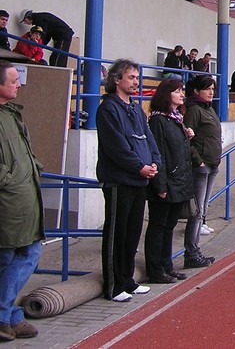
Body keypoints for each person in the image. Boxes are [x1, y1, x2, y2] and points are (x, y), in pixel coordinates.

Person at [96, 58, 161, 302]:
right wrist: (139, 167)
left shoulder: (136, 108)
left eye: (137, 77)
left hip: (139, 181)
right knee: (117, 234)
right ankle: (113, 286)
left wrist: (154, 163)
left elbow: (148, 138)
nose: (136, 82)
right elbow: (116, 147)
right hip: (119, 181)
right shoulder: (108, 109)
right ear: (117, 80)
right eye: (131, 77)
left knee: (132, 234)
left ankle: (127, 279)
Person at [0, 60, 44, 341]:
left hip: (22, 197)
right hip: (10, 200)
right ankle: (4, 315)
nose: (19, 84)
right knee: (23, 254)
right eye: (14, 80)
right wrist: (13, 179)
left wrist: (34, 167)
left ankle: (10, 315)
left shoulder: (11, 114)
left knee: (14, 257)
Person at [145, 79, 195, 284]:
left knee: (169, 225)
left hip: (179, 181)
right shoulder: (158, 120)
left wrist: (187, 136)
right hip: (167, 182)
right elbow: (158, 154)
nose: (181, 94)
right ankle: (155, 269)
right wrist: (160, 185)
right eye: (177, 91)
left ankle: (167, 265)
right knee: (158, 225)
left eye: (181, 91)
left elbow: (177, 150)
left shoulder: (176, 119)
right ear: (166, 95)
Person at [183, 75, 221, 267]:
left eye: (213, 89)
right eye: (207, 89)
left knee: (203, 209)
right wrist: (198, 161)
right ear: (197, 91)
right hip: (202, 166)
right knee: (197, 211)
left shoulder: (209, 109)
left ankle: (195, 250)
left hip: (212, 164)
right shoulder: (194, 111)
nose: (211, 92)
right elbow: (187, 139)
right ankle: (191, 252)